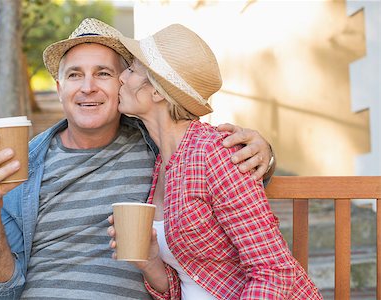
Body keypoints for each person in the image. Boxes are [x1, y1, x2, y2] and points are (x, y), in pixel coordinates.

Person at [0, 19, 275, 299]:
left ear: (122, 86)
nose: (88, 87)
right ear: (60, 90)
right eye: (75, 75)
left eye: (104, 73)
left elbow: (221, 176)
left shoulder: (157, 149)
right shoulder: (24, 164)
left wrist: (263, 154)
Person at [107, 24, 323, 299]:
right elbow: (191, 282)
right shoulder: (162, 162)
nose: (121, 78)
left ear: (158, 91)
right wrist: (150, 263)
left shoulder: (215, 153)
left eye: (132, 69)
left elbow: (274, 271)